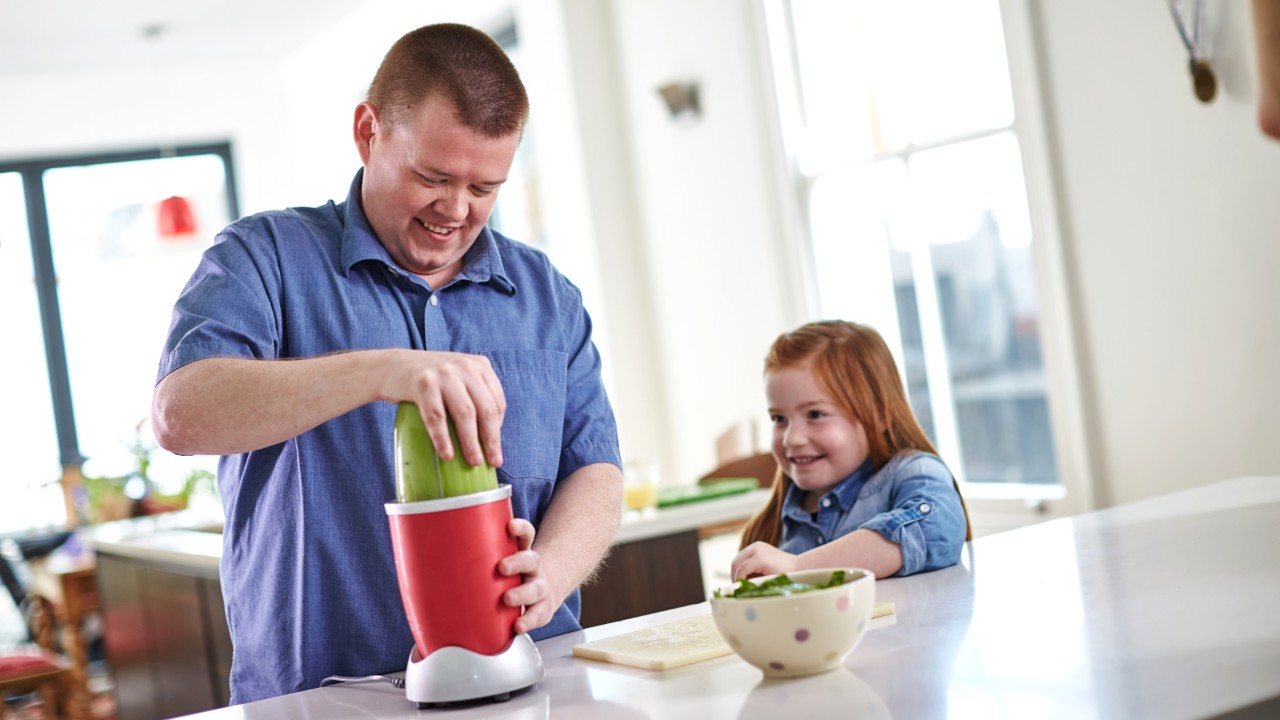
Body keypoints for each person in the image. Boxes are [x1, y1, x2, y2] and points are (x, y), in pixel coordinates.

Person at [150, 24, 623, 704]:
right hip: (319, 698)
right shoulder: (263, 258)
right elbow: (182, 414)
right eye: (432, 176)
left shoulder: (549, 296)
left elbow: (596, 467)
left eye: (485, 187)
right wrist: (380, 372)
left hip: (531, 682)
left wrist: (550, 571)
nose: (456, 211)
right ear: (368, 131)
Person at [730, 320, 969, 582]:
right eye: (778, 418)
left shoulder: (914, 472)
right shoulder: (767, 530)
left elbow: (936, 527)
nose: (792, 438)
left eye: (815, 414)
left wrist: (799, 567)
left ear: (878, 415)